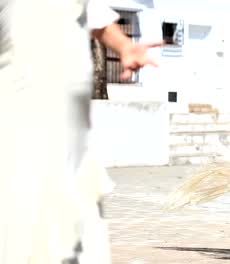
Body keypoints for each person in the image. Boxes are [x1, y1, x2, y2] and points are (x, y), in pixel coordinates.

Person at [0, 0, 162, 263]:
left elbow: (95, 14)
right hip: (21, 88)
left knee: (72, 186)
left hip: (69, 95)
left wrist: (125, 46)